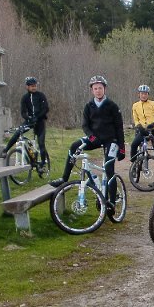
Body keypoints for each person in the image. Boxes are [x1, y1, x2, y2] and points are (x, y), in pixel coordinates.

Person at [50, 76, 125, 209]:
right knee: (74, 146)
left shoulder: (112, 106)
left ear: (104, 89)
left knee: (109, 169)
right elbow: (85, 125)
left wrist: (122, 148)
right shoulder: (88, 106)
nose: (98, 91)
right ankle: (64, 178)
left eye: (100, 88)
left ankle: (112, 203)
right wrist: (91, 136)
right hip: (94, 138)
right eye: (95, 89)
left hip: (110, 140)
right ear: (92, 90)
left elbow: (119, 127)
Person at [3, 76, 50, 167]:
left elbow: (46, 108)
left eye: (35, 86)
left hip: (40, 121)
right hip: (30, 121)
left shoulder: (41, 95)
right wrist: (28, 118)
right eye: (32, 86)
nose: (34, 88)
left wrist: (38, 117)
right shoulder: (25, 98)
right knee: (18, 132)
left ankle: (43, 163)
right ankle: (6, 150)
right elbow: (23, 112)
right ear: (27, 87)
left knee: (41, 142)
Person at [130, 84, 154, 160]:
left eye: (145, 94)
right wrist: (139, 126)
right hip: (143, 130)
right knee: (133, 145)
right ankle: (134, 163)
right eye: (142, 93)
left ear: (148, 95)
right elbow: (135, 119)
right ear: (139, 94)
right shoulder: (135, 106)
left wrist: (153, 124)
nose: (144, 95)